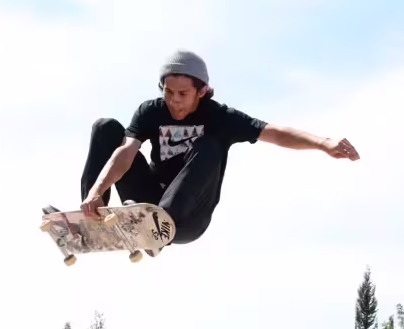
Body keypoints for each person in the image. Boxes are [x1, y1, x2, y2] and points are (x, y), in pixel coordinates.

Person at [79, 49, 360, 255]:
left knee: (208, 144)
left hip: (188, 217)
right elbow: (126, 153)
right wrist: (96, 191)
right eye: (168, 92)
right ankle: (90, 216)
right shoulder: (151, 111)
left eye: (183, 94)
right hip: (149, 200)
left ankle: (158, 228)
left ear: (201, 92)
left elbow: (274, 132)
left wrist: (322, 143)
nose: (174, 102)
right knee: (106, 128)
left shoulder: (220, 117)